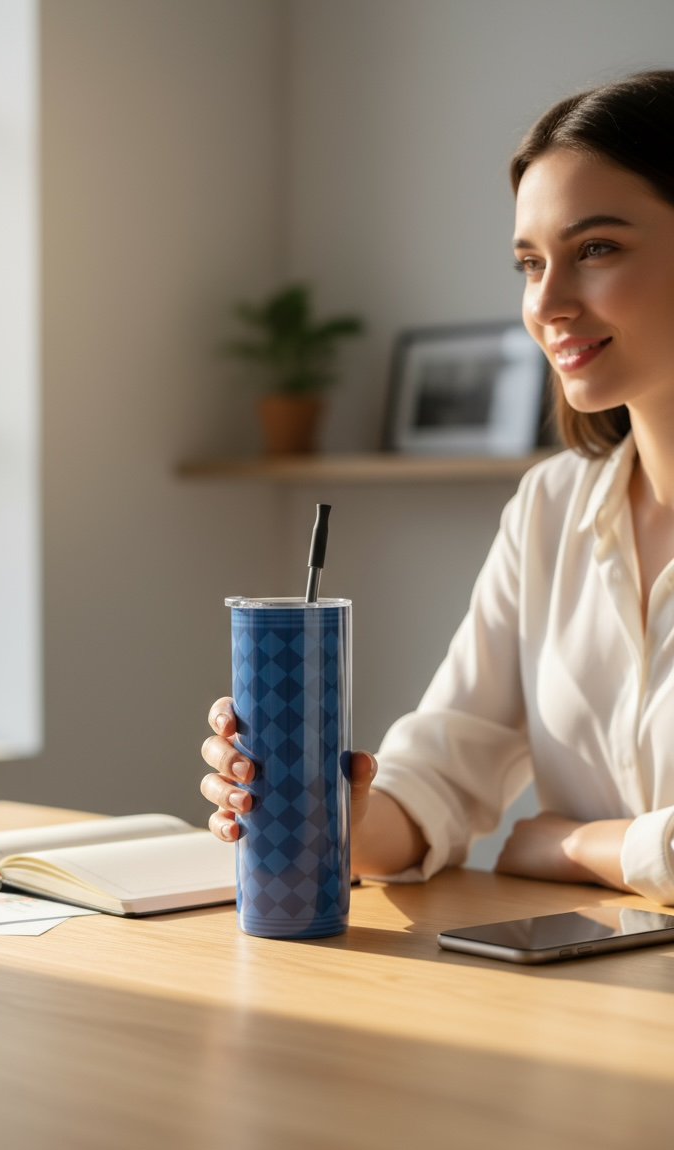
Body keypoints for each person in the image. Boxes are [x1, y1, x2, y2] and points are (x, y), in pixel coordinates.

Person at [201, 69, 674, 906]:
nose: (547, 302)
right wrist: (329, 808)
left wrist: (576, 843)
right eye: (530, 263)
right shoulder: (550, 509)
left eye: (596, 249)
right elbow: (442, 777)